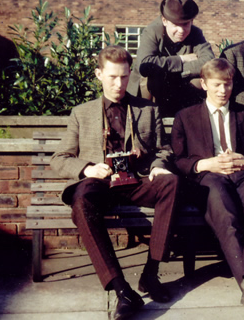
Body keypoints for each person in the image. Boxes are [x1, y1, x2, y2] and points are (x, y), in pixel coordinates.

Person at [51, 45, 179, 320]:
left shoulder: (148, 109)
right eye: (111, 77)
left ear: (130, 73)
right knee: (81, 202)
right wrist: (87, 168)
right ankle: (122, 290)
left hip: (137, 180)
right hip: (100, 183)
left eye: (123, 77)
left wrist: (157, 166)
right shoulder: (81, 113)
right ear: (99, 74)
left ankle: (150, 274)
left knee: (172, 183)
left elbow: (164, 149)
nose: (118, 84)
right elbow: (59, 158)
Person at [171, 58, 244, 318]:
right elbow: (178, 160)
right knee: (227, 217)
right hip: (210, 177)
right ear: (204, 84)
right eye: (217, 85)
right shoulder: (185, 117)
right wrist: (204, 164)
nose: (223, 90)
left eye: (228, 84)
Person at [128, 0, 215, 117]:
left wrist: (177, 72)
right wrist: (181, 59)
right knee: (150, 80)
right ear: (164, 20)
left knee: (200, 81)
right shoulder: (152, 31)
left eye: (185, 24)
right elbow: (145, 65)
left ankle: (191, 120)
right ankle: (149, 119)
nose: (181, 30)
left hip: (180, 90)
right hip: (150, 93)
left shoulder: (195, 33)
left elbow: (209, 62)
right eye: (175, 24)